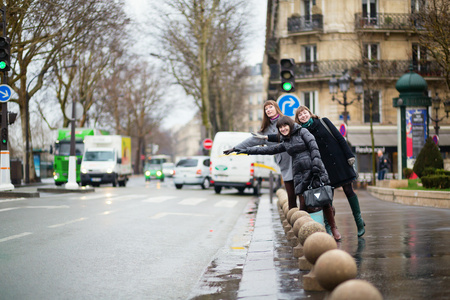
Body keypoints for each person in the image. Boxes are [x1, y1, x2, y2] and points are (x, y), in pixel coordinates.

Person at [233, 116, 342, 241]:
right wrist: (243, 150)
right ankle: (309, 233)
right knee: (304, 203)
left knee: (325, 200)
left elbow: (314, 147)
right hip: (300, 174)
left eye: (285, 126)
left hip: (314, 169)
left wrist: (316, 165)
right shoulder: (286, 141)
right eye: (280, 128)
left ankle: (333, 229)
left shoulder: (303, 132)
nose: (283, 129)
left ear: (290, 125)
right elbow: (269, 150)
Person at [294, 106, 365, 237]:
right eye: (300, 115)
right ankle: (330, 227)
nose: (303, 116)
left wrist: (349, 156)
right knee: (328, 197)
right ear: (298, 119)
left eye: (305, 113)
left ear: (309, 113)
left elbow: (339, 138)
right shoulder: (302, 132)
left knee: (348, 190)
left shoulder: (323, 122)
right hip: (324, 167)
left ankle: (359, 222)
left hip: (340, 161)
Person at [222, 100, 297, 210]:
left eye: (270, 107)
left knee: (302, 194)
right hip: (285, 165)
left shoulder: (286, 120)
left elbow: (299, 133)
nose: (268, 110)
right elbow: (251, 140)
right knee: (291, 197)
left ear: (276, 107)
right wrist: (235, 148)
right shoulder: (265, 131)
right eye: (266, 109)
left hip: (297, 159)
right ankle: (294, 225)